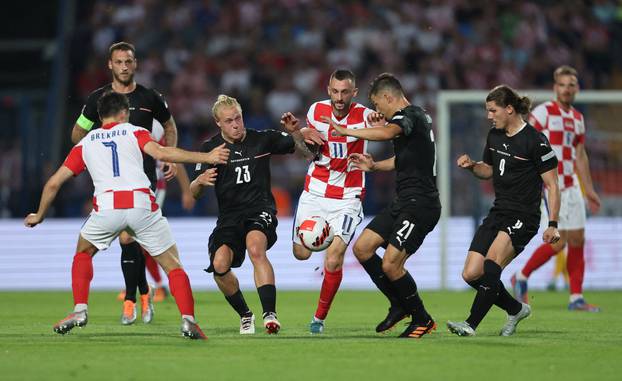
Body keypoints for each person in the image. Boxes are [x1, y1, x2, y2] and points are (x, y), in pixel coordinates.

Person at [25, 91, 230, 339]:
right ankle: (188, 320)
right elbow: (163, 153)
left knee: (83, 252)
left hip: (107, 208)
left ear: (100, 116)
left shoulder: (85, 143)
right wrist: (206, 156)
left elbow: (54, 184)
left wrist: (40, 213)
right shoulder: (135, 131)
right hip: (141, 205)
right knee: (173, 266)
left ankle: (80, 310)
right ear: (124, 112)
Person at [71, 41, 190, 323]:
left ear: (135, 64)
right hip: (110, 182)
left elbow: (170, 127)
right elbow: (78, 133)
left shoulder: (151, 98)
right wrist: (94, 152)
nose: (124, 66)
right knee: (128, 241)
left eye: (129, 61)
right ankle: (142, 294)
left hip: (143, 180)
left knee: (128, 238)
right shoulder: (97, 100)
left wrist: (169, 159)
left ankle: (132, 299)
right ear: (110, 65)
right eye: (119, 62)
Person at [190, 95, 322, 335]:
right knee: (219, 265)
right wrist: (199, 181)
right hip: (229, 217)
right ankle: (245, 315)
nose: (235, 124)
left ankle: (269, 314)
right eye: (229, 121)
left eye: (238, 118)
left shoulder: (261, 139)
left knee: (255, 247)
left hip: (259, 209)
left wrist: (296, 132)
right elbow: (194, 193)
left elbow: (306, 153)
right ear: (218, 123)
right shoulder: (210, 148)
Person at [330, 73, 441, 338]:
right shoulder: (414, 121)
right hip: (403, 201)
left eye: (378, 105)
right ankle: (399, 304)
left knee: (392, 265)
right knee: (363, 248)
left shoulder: (411, 115)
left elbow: (388, 131)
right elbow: (404, 159)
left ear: (388, 97)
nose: (378, 111)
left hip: (421, 204)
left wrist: (346, 130)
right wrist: (375, 166)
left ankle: (422, 318)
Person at [447, 85, 561, 337]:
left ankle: (471, 324)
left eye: (492, 110)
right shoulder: (494, 136)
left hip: (524, 216)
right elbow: (488, 170)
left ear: (509, 109)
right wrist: (472, 166)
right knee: (471, 273)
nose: (489, 116)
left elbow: (553, 185)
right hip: (499, 211)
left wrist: (552, 223)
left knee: (491, 263)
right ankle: (515, 308)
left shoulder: (535, 141)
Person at [290, 69, 381, 334]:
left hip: (348, 196)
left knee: (334, 259)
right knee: (301, 253)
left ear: (354, 93)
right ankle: (324, 239)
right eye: (335, 91)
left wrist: (377, 120)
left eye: (345, 92)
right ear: (328, 90)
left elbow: (382, 128)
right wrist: (299, 133)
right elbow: (307, 153)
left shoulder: (364, 115)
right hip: (315, 191)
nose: (339, 98)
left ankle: (318, 319)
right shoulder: (316, 111)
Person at [511, 66, 601, 312]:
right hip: (552, 186)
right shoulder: (543, 113)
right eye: (562, 84)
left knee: (578, 240)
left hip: (573, 187)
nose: (567, 89)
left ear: (577, 88)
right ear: (555, 88)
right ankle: (521, 276)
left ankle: (576, 298)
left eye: (571, 85)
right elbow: (525, 141)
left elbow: (580, 154)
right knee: (558, 242)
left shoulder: (578, 119)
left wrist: (589, 189)